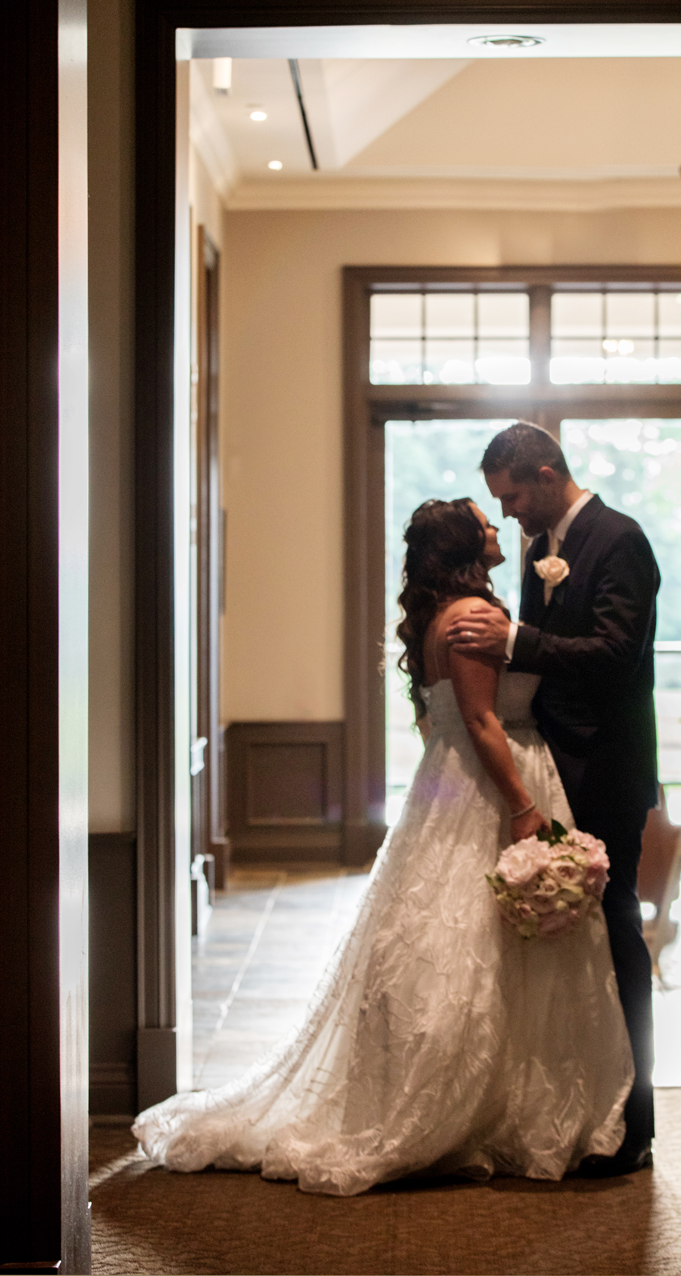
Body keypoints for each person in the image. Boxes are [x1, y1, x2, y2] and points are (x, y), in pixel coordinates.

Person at [132, 497, 634, 1196]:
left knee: (473, 941)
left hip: (460, 781)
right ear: (464, 544)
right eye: (483, 522)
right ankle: (465, 1105)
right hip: (497, 780)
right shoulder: (463, 618)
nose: (497, 525)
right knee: (478, 945)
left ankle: (501, 1098)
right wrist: (521, 806)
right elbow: (483, 719)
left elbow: (440, 721)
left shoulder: (456, 609)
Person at [447, 423, 660, 1175]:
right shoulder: (544, 549)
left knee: (617, 935)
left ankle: (635, 1123)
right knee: (576, 953)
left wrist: (512, 643)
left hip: (605, 772)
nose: (506, 514)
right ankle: (580, 1109)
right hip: (555, 770)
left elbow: (613, 654)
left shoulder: (617, 539)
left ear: (543, 474)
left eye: (511, 496)